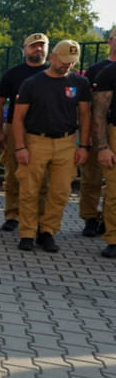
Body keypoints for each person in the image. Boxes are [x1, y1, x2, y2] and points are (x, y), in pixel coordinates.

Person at [10, 40, 90, 253]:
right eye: (64, 61)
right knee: (29, 190)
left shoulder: (80, 83)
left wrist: (83, 145)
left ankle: (48, 232)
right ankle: (27, 232)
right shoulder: (32, 83)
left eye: (72, 62)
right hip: (36, 140)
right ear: (52, 57)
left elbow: (84, 115)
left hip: (66, 142)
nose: (68, 66)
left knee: (61, 191)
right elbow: (18, 118)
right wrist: (20, 147)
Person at [0, 33, 51, 232]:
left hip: (44, 131)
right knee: (13, 175)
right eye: (33, 46)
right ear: (25, 49)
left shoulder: (54, 72)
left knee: (43, 178)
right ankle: (12, 215)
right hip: (15, 129)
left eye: (42, 46)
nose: (38, 49)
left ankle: (39, 216)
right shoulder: (13, 74)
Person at [79, 26, 116, 237]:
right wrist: (88, 137)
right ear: (109, 41)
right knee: (91, 178)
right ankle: (90, 217)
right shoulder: (97, 70)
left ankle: (107, 220)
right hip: (100, 129)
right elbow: (87, 107)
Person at [91, 56, 116, 258]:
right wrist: (102, 146)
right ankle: (114, 239)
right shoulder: (109, 72)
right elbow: (99, 111)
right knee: (115, 192)